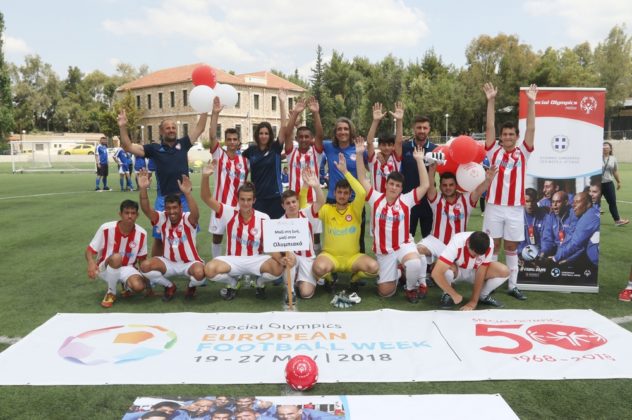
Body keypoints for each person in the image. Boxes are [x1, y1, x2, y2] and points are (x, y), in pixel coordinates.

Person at [118, 109, 208, 256]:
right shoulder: (154, 149)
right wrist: (123, 126)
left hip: (184, 198)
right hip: (163, 199)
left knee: (190, 234)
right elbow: (128, 147)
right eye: (167, 128)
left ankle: (194, 263)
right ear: (161, 131)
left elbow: (200, 128)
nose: (171, 130)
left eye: (173, 127)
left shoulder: (183, 143)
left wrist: (204, 108)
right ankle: (156, 267)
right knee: (159, 238)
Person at [355, 137, 429, 301]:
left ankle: (411, 288)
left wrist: (419, 160)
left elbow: (425, 186)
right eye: (392, 184)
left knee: (414, 263)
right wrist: (359, 154)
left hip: (403, 245)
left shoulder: (406, 200)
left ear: (401, 189)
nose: (394, 188)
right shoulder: (375, 198)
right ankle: (399, 271)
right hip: (384, 252)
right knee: (385, 292)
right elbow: (362, 178)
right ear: (386, 184)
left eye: (397, 185)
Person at [483, 82, 538, 301]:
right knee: (493, 245)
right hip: (494, 206)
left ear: (516, 136)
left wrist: (532, 102)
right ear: (501, 137)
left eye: (511, 134)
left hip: (515, 208)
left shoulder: (523, 152)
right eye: (504, 134)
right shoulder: (493, 151)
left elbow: (531, 129)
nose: (507, 137)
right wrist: (491, 101)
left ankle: (513, 285)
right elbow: (489, 126)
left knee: (512, 246)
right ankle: (490, 283)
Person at [201, 164, 286, 301]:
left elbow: (270, 246)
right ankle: (233, 283)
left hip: (256, 259)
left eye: (249, 200)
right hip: (233, 260)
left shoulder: (264, 217)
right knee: (209, 269)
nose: (245, 203)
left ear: (254, 200)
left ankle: (259, 283)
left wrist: (280, 259)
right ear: (238, 199)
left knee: (279, 268)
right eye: (242, 199)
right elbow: (206, 198)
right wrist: (205, 177)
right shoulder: (229, 212)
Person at [311, 152, 379, 292]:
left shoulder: (355, 209)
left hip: (352, 258)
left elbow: (361, 193)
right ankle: (331, 279)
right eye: (339, 192)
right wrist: (315, 187)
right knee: (317, 268)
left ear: (349, 195)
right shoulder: (327, 209)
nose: (342, 196)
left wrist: (345, 171)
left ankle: (354, 280)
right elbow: (311, 209)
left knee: (374, 268)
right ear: (334, 193)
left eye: (345, 193)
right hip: (330, 256)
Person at [417, 163, 496, 281]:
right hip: (436, 240)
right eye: (444, 185)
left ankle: (435, 269)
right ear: (440, 186)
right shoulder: (436, 199)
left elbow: (479, 190)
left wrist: (488, 180)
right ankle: (421, 281)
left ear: (456, 185)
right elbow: (430, 187)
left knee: (449, 274)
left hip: (456, 245)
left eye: (451, 185)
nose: (448, 188)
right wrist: (432, 171)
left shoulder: (466, 199)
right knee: (417, 251)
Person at [137, 169, 205, 301]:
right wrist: (143, 189)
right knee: (145, 266)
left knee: (200, 274)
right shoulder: (162, 218)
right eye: (168, 208)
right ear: (165, 209)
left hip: (189, 262)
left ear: (181, 208)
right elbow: (146, 210)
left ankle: (191, 286)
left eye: (174, 208)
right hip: (168, 262)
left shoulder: (187, 218)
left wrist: (187, 193)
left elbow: (196, 214)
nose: (171, 211)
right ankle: (169, 286)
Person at [315, 115, 368, 252]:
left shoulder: (358, 149)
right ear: (335, 132)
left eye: (345, 129)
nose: (342, 132)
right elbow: (318, 137)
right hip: (333, 200)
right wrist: (316, 113)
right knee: (333, 235)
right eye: (339, 129)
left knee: (357, 236)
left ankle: (358, 262)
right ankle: (332, 260)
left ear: (351, 131)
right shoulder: (329, 147)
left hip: (354, 200)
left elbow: (370, 166)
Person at [85, 200, 148, 308]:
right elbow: (89, 250)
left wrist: (147, 282)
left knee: (138, 287)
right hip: (106, 267)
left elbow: (142, 259)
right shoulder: (106, 228)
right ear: (120, 214)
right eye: (126, 213)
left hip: (128, 267)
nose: (130, 216)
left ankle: (126, 286)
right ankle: (111, 293)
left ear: (137, 215)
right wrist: (91, 262)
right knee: (117, 257)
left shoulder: (142, 233)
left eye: (133, 213)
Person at [208, 97, 250, 259]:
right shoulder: (219, 155)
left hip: (238, 206)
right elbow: (212, 136)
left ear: (239, 142)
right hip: (219, 204)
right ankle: (216, 261)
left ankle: (238, 262)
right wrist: (215, 114)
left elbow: (246, 182)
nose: (232, 142)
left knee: (239, 236)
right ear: (225, 141)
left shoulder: (245, 161)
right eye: (229, 139)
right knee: (217, 236)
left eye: (235, 139)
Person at [282, 97, 324, 251]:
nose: (304, 139)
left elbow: (320, 135)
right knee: (294, 232)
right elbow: (287, 135)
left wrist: (316, 113)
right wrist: (295, 113)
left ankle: (316, 258)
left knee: (315, 233)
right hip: (295, 201)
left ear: (311, 138)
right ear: (297, 138)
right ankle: (295, 259)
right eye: (301, 137)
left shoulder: (316, 153)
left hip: (313, 200)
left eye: (307, 137)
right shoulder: (290, 153)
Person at [432, 231, 509, 310]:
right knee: (446, 270)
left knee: (504, 271)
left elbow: (481, 272)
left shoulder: (489, 243)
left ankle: (483, 296)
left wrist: (473, 302)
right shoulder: (456, 241)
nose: (478, 257)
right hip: (457, 271)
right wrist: (453, 294)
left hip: (474, 271)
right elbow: (436, 273)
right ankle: (447, 294)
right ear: (468, 244)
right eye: (475, 254)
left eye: (480, 255)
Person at [280, 168, 325, 300]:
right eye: (288, 203)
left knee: (306, 294)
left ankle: (302, 280)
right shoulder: (279, 222)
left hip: (307, 258)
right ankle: (290, 289)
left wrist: (316, 186)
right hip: (291, 259)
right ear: (283, 206)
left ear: (298, 202)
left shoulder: (306, 213)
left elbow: (321, 202)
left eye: (294, 202)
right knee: (289, 256)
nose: (292, 205)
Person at [241, 91, 288, 219]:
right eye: (261, 133)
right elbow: (239, 166)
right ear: (257, 135)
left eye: (266, 133)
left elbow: (284, 127)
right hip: (258, 198)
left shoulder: (275, 148)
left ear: (270, 135)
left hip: (275, 197)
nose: (263, 136)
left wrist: (282, 102)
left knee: (276, 228)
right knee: (259, 229)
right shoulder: (251, 150)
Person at [400, 115, 438, 239]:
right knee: (405, 237)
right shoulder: (404, 147)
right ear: (414, 128)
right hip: (408, 200)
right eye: (419, 127)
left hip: (428, 201)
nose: (422, 130)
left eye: (425, 128)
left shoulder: (435, 149)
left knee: (429, 238)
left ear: (429, 129)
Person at [550, 192, 600, 266]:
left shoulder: (587, 218)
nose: (573, 205)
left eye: (577, 202)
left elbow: (575, 243)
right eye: (573, 202)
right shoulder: (594, 213)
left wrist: (555, 258)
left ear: (588, 204)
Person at [366, 102, 404, 193]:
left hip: (394, 198)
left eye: (389, 145)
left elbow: (399, 142)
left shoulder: (395, 158)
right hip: (377, 198)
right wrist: (375, 121)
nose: (386, 148)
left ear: (393, 146)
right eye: (383, 145)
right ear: (379, 146)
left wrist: (399, 120)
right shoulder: (374, 158)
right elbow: (369, 142)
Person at [539, 191, 576, 259]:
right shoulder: (550, 217)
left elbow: (571, 240)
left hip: (570, 253)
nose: (554, 205)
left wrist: (558, 256)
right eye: (553, 202)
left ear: (566, 202)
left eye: (558, 202)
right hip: (556, 253)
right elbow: (547, 238)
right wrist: (543, 252)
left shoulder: (573, 215)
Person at [601, 141, 629, 226]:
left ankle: (617, 220)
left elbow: (615, 171)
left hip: (608, 184)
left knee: (612, 202)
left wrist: (618, 181)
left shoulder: (613, 159)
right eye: (603, 147)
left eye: (607, 147)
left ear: (610, 149)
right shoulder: (595, 157)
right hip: (597, 184)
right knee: (592, 203)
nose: (605, 148)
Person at [518, 188, 548, 260]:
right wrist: (523, 252)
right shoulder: (518, 216)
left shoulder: (544, 216)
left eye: (532, 201)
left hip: (540, 254)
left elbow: (546, 238)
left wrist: (540, 253)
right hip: (523, 253)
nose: (530, 204)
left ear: (537, 200)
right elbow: (517, 240)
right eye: (527, 201)